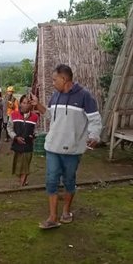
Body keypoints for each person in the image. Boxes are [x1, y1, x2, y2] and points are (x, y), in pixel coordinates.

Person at [30, 64, 102, 229]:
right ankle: (53, 217)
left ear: (64, 79)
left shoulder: (84, 96)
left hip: (72, 149)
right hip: (52, 147)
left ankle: (66, 211)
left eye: (55, 79)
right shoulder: (55, 96)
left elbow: (95, 119)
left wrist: (94, 135)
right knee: (51, 181)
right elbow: (50, 115)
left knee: (69, 180)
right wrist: (38, 104)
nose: (53, 83)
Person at [7, 95, 38, 186]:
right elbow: (9, 128)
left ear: (31, 105)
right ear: (20, 104)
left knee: (25, 164)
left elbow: (36, 130)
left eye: (28, 103)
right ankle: (22, 180)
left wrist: (34, 135)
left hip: (28, 145)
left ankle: (22, 183)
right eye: (24, 103)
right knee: (18, 164)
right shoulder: (14, 115)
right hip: (17, 145)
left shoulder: (35, 117)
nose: (26, 105)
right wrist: (16, 137)